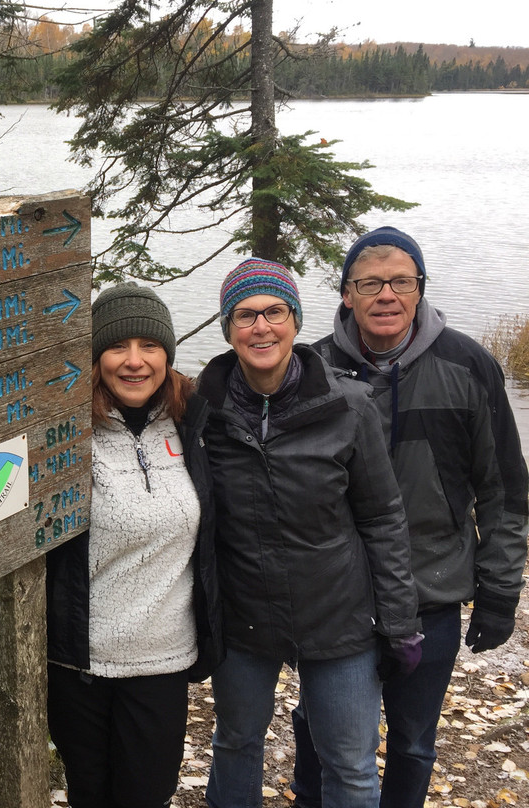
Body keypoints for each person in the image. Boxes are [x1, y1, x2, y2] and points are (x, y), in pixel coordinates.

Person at [292, 227, 529, 808]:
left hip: (431, 588)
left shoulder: (468, 365)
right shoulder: (312, 370)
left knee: (415, 742)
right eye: (369, 283)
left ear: (420, 289)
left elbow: (504, 489)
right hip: (336, 596)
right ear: (346, 294)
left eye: (401, 281)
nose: (386, 295)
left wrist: (500, 592)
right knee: (317, 730)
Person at [198, 258, 421, 808]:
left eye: (275, 311)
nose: (261, 327)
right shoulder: (204, 408)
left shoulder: (348, 405)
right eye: (245, 315)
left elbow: (382, 517)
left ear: (295, 321)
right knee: (235, 743)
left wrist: (398, 620)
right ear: (227, 329)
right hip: (244, 615)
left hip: (338, 616)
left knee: (350, 765)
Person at [45, 282, 221, 808]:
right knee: (90, 793)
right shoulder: (64, 430)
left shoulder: (194, 423)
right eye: (118, 347)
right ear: (95, 358)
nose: (134, 361)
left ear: (168, 354)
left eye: (150, 346)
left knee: (146, 795)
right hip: (81, 662)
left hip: (163, 660)